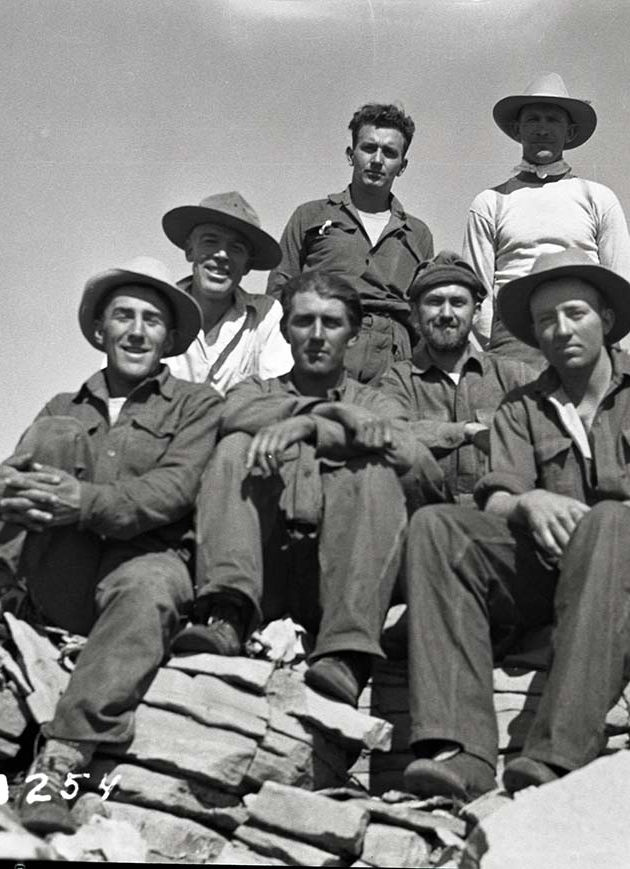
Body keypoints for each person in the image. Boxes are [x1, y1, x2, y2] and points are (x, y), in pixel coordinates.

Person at [399, 248, 630, 802]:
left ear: (608, 320)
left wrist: (614, 518)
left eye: (575, 314)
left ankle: (557, 753)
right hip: (560, 572)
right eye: (546, 320)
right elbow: (498, 495)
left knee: (608, 527)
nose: (560, 329)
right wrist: (530, 505)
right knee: (437, 526)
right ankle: (462, 754)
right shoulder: (521, 406)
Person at [0, 256, 222, 834]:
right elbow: (13, 477)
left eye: (152, 320)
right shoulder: (63, 406)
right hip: (65, 570)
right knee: (54, 436)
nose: (136, 331)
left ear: (172, 337)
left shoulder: (197, 405)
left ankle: (62, 760)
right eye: (123, 316)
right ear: (101, 330)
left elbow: (173, 491)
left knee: (151, 587)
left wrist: (82, 502)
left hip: (144, 561)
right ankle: (0, 596)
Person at [172, 269, 427, 706]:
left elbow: (418, 465)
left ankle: (347, 655)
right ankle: (227, 614)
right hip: (264, 574)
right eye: (304, 321)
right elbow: (232, 417)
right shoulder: (255, 391)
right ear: (286, 331)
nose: (317, 335)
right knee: (234, 447)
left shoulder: (375, 402)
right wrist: (327, 413)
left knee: (377, 471)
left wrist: (311, 426)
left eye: (332, 323)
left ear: (351, 333)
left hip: (338, 580)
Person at [463, 73, 630, 366]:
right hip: (513, 340)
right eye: (533, 120)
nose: (542, 129)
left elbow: (623, 280)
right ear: (518, 130)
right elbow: (477, 290)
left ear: (569, 132)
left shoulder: (598, 198)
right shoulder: (491, 202)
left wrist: (604, 343)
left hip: (583, 331)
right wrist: (499, 348)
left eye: (552, 120)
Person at [267, 103, 434, 382]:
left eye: (389, 152)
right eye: (368, 148)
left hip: (394, 358)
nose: (377, 160)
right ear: (351, 154)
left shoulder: (418, 233)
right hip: (323, 341)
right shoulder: (310, 216)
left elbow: (422, 311)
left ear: (402, 166)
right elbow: (279, 291)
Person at [376, 250, 537, 508]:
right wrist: (466, 432)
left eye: (458, 303)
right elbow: (390, 436)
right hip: (425, 525)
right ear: (415, 314)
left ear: (476, 313)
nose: (447, 313)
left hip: (503, 522)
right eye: (435, 302)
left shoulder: (515, 376)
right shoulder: (397, 381)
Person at [162, 191, 292, 393]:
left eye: (236, 248)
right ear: (190, 251)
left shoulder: (265, 316)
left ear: (248, 265)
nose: (222, 255)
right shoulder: (157, 310)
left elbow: (276, 398)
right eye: (210, 241)